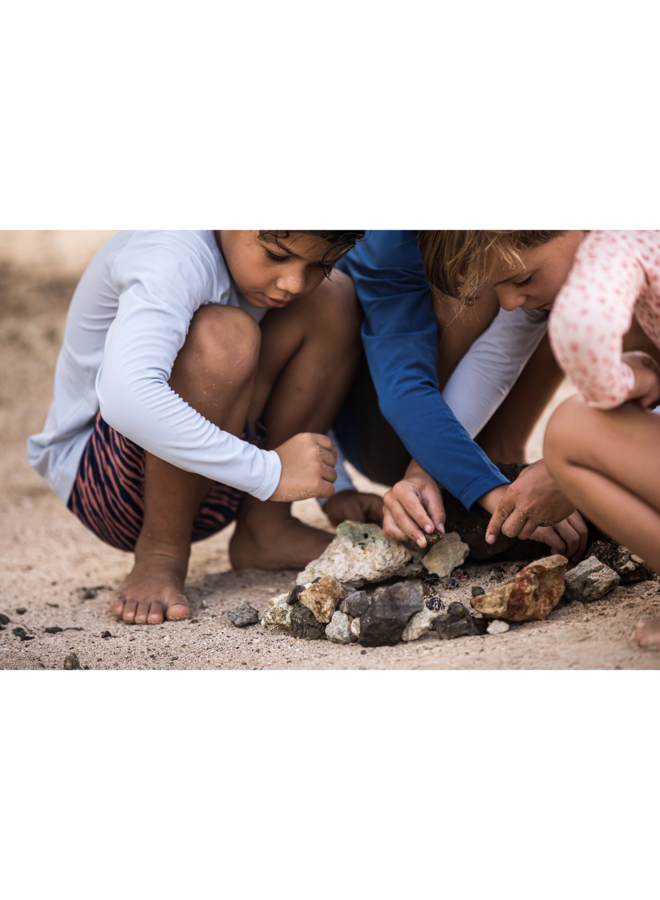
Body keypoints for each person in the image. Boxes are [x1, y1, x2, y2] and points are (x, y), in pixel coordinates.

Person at [28, 229, 383, 626]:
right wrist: (268, 471)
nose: (293, 283)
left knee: (333, 298)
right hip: (112, 488)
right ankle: (162, 551)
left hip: (226, 469)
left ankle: (266, 528)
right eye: (275, 255)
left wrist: (334, 488)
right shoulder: (172, 252)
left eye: (319, 264)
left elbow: (300, 385)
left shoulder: (281, 275)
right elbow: (126, 398)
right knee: (222, 336)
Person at [421, 228, 660, 649]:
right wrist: (425, 465)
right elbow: (494, 360)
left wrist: (623, 385)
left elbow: (585, 334)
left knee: (571, 432)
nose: (510, 302)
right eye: (499, 289)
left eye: (524, 280)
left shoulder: (618, 248)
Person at [335, 230, 588, 562]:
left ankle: (495, 453)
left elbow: (500, 352)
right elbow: (405, 384)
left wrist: (571, 469)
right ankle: (470, 460)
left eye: (523, 279)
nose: (509, 304)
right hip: (382, 430)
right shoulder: (388, 245)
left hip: (440, 415)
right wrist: (483, 487)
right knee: (479, 292)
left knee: (549, 296)